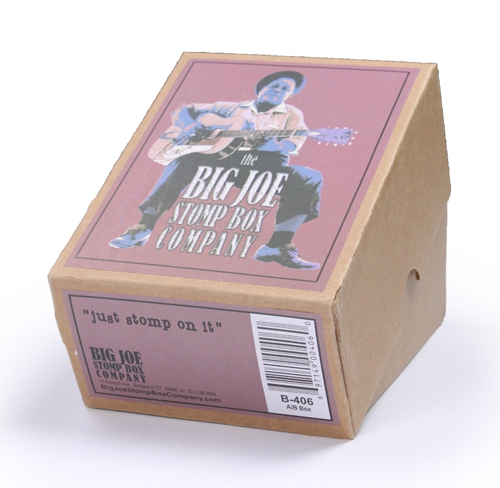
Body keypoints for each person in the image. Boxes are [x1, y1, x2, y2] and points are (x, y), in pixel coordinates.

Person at [109, 70, 323, 270]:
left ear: (289, 95)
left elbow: (292, 143)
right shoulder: (229, 108)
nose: (279, 90)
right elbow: (183, 111)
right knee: (186, 160)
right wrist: (189, 126)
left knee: (309, 178)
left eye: (286, 89)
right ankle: (143, 227)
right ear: (262, 87)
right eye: (275, 85)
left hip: (263, 166)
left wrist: (274, 145)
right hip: (223, 161)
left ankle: (276, 247)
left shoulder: (292, 114)